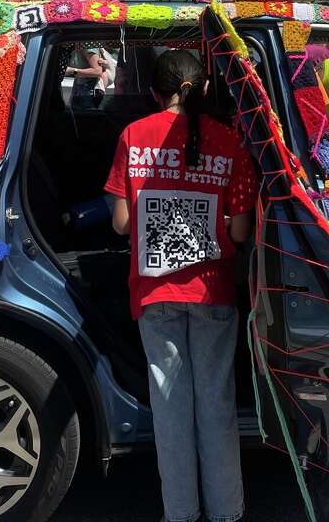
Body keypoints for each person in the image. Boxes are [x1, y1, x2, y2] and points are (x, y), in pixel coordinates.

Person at [104, 49, 256, 522]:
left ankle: (181, 514)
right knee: (216, 403)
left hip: (154, 293)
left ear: (154, 92)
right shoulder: (229, 140)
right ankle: (227, 512)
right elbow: (240, 233)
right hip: (212, 291)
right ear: (205, 90)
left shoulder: (133, 135)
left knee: (170, 407)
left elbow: (122, 225)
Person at [65, 43, 108, 110]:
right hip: (80, 87)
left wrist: (72, 71)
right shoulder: (77, 45)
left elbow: (97, 71)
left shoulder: (88, 45)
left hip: (88, 90)